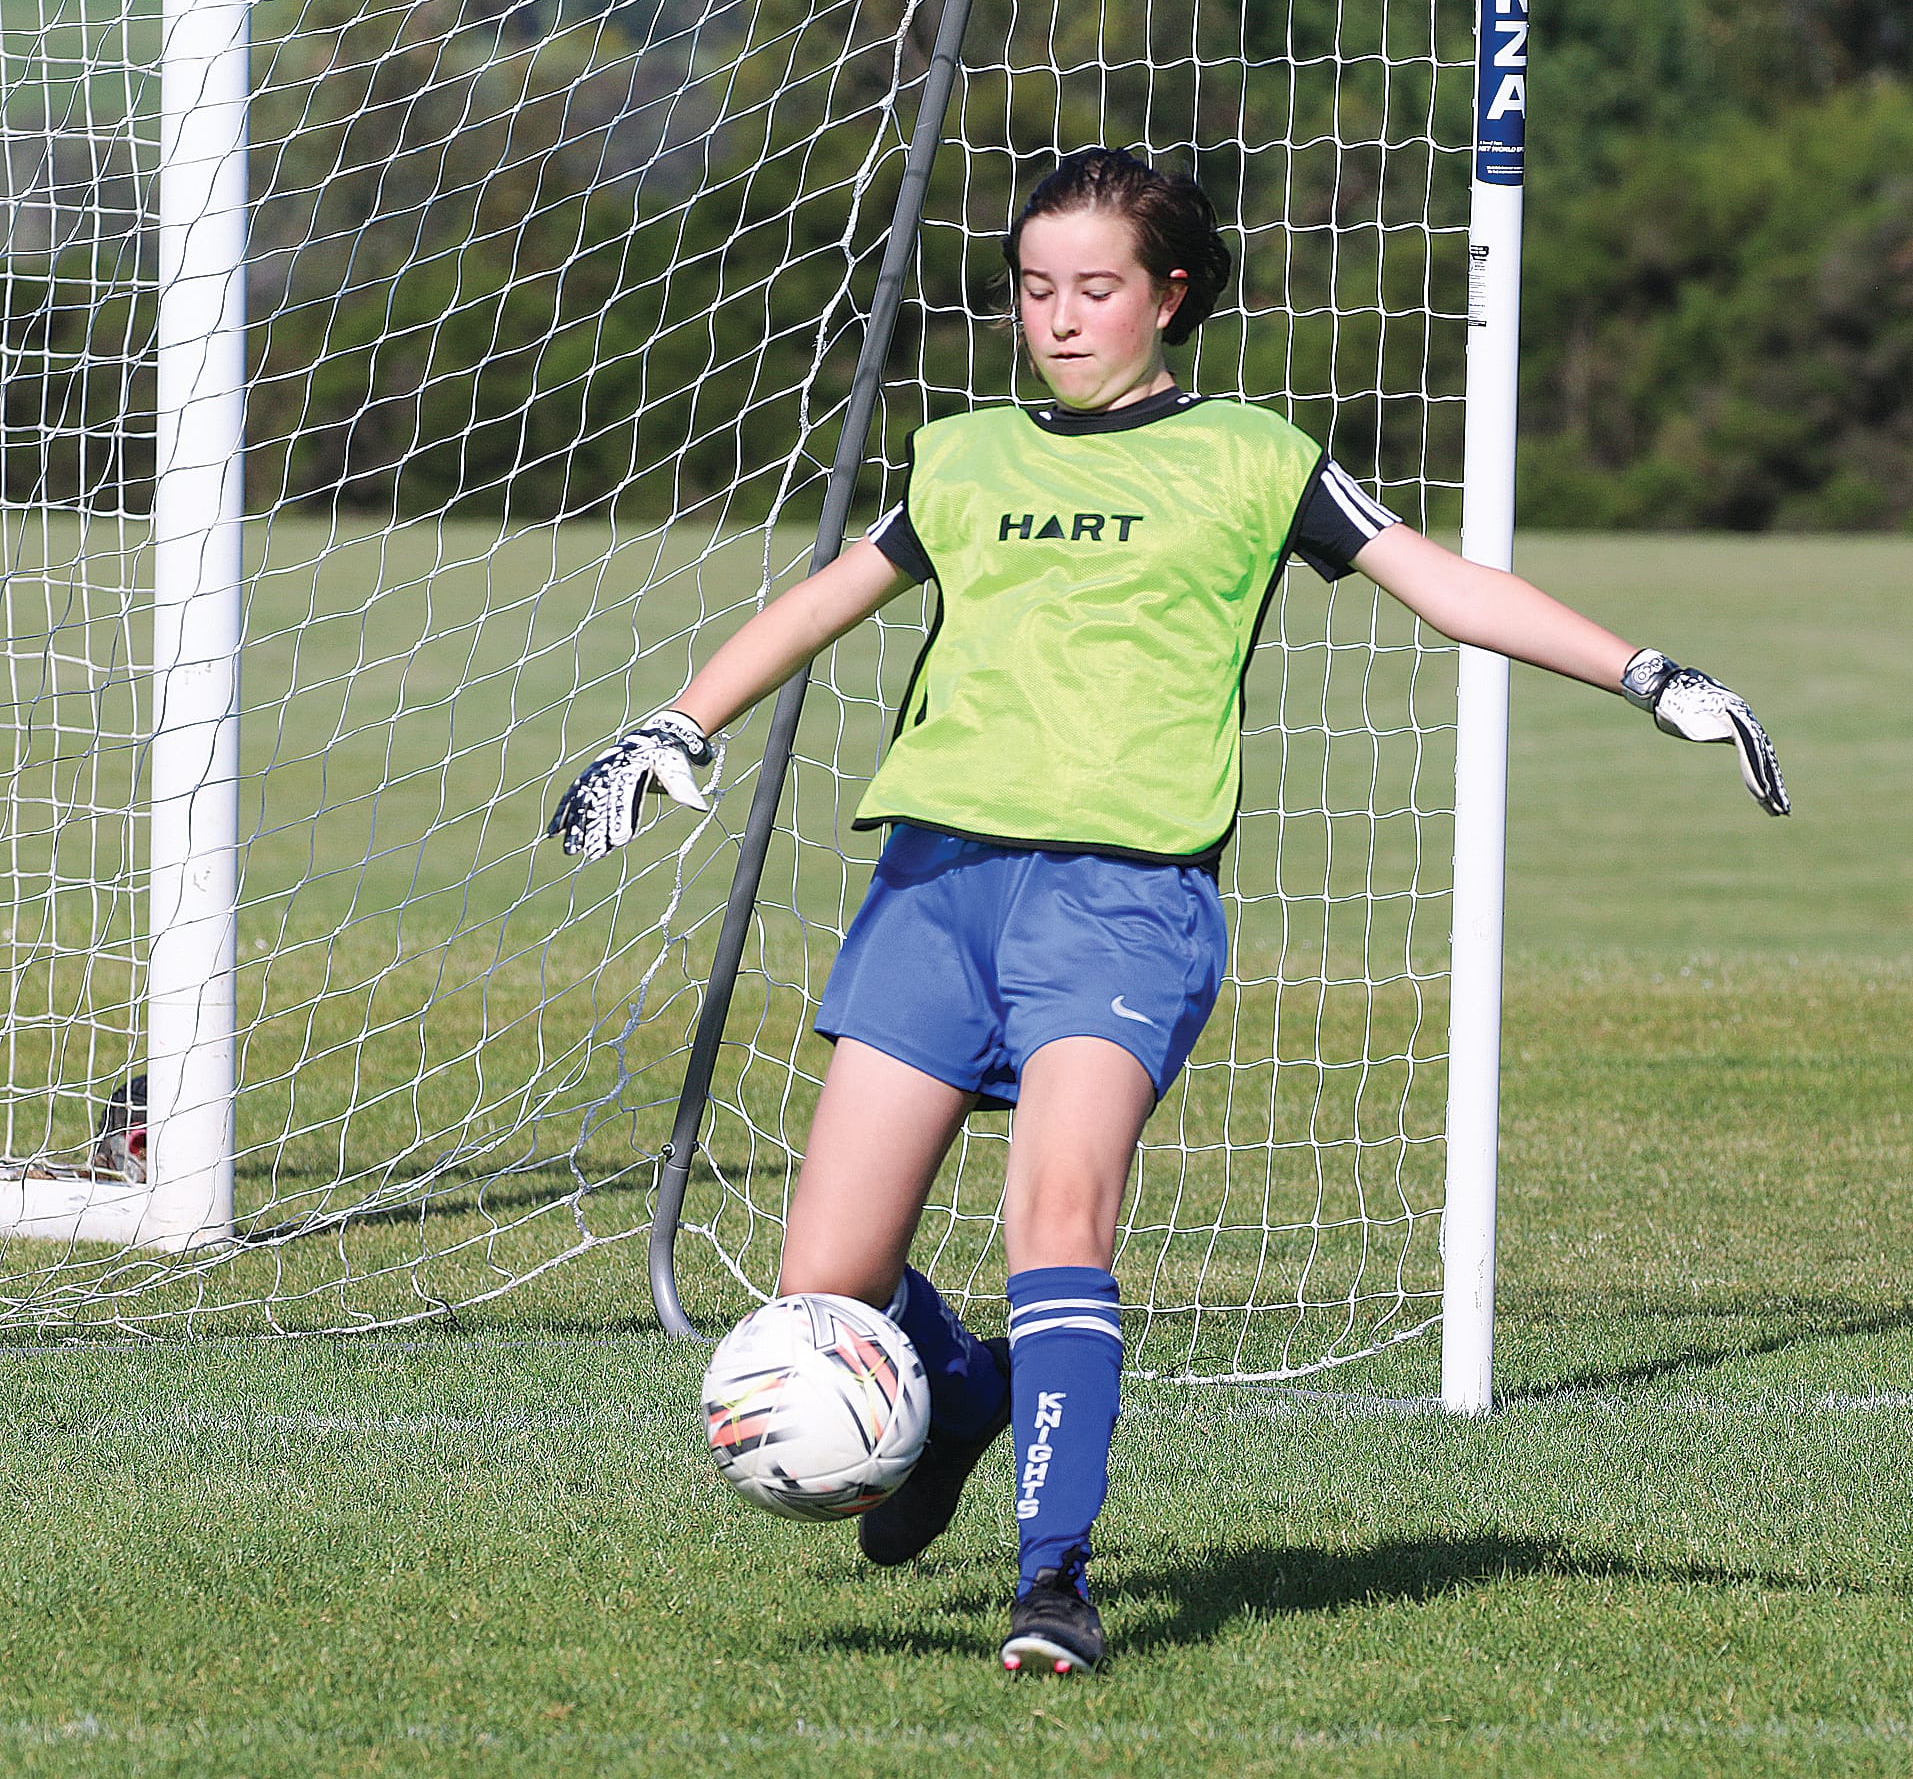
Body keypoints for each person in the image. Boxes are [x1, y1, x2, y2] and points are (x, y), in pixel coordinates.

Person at [547, 148, 1789, 1676]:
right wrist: (673, 723)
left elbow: (1448, 586)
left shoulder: (1255, 457)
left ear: (1169, 295)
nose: (1058, 319)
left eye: (1095, 289)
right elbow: (818, 601)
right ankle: (968, 1401)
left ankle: (1052, 1583)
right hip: (934, 885)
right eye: (1032, 289)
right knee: (827, 1281)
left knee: (1053, 1219)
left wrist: (1650, 675)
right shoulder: (966, 456)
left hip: (1123, 901)